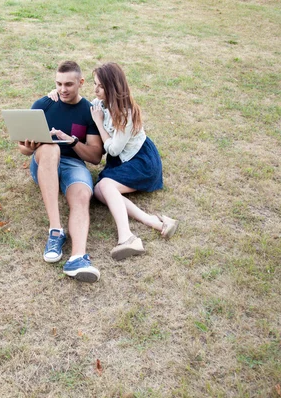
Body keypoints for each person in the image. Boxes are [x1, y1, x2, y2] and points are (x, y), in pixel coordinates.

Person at [48, 62, 178, 261]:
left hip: (139, 161)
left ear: (112, 88)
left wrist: (99, 123)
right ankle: (157, 222)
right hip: (121, 161)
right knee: (100, 191)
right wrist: (56, 94)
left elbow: (113, 149)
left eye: (100, 86)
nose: (95, 89)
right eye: (95, 84)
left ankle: (127, 237)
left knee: (106, 185)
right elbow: (80, 103)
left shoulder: (126, 113)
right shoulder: (99, 104)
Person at [18, 61, 104, 283]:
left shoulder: (88, 111)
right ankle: (55, 231)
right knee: (51, 147)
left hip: (74, 164)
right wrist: (29, 145)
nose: (63, 89)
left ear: (81, 83)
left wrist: (72, 141)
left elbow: (95, 157)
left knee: (83, 194)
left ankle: (77, 258)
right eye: (58, 84)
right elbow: (22, 150)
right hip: (44, 160)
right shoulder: (43, 104)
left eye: (68, 84)